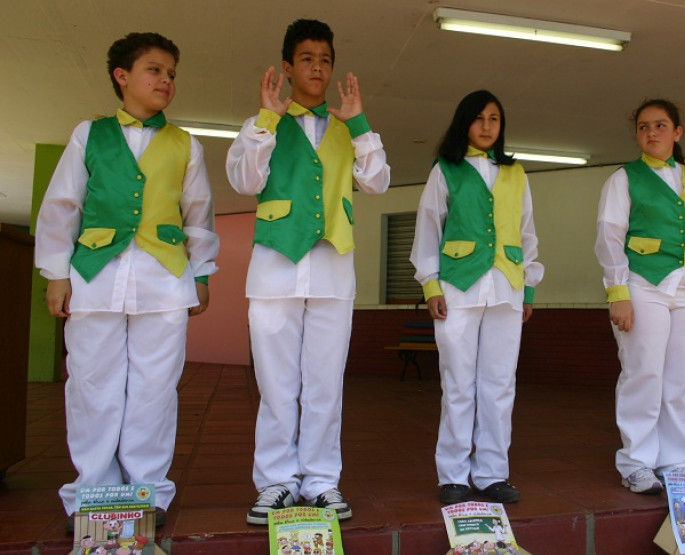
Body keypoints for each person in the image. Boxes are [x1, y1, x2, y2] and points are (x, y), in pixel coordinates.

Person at [35, 32, 218, 527]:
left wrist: (201, 271)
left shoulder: (186, 143)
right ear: (122, 76)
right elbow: (62, 205)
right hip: (95, 276)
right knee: (91, 385)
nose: (166, 80)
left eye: (171, 73)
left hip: (165, 279)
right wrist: (56, 272)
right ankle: (92, 491)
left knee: (155, 389)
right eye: (154, 70)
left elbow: (198, 214)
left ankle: (146, 491)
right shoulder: (88, 134)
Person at [226, 18, 390, 524]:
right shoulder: (263, 124)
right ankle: (276, 481)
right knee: (276, 384)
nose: (317, 68)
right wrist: (266, 121)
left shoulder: (348, 128)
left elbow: (378, 182)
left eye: (325, 60)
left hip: (332, 271)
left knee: (325, 383)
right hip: (274, 269)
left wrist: (360, 125)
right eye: (306, 59)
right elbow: (243, 180)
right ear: (287, 67)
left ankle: (320, 480)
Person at [410, 90, 543, 505]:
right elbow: (428, 228)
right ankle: (453, 474)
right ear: (464, 122)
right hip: (457, 287)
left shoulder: (516, 173)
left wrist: (529, 287)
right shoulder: (445, 169)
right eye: (479, 118)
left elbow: (527, 231)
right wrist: (431, 285)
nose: (487, 126)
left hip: (507, 285)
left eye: (494, 119)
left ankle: (491, 473)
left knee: (499, 384)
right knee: (458, 383)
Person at [595, 99, 685, 494]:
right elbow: (609, 238)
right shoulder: (624, 178)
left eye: (660, 125)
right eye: (643, 126)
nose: (651, 132)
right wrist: (617, 292)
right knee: (643, 370)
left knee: (682, 375)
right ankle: (637, 461)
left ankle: (674, 459)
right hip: (642, 282)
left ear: (677, 132)